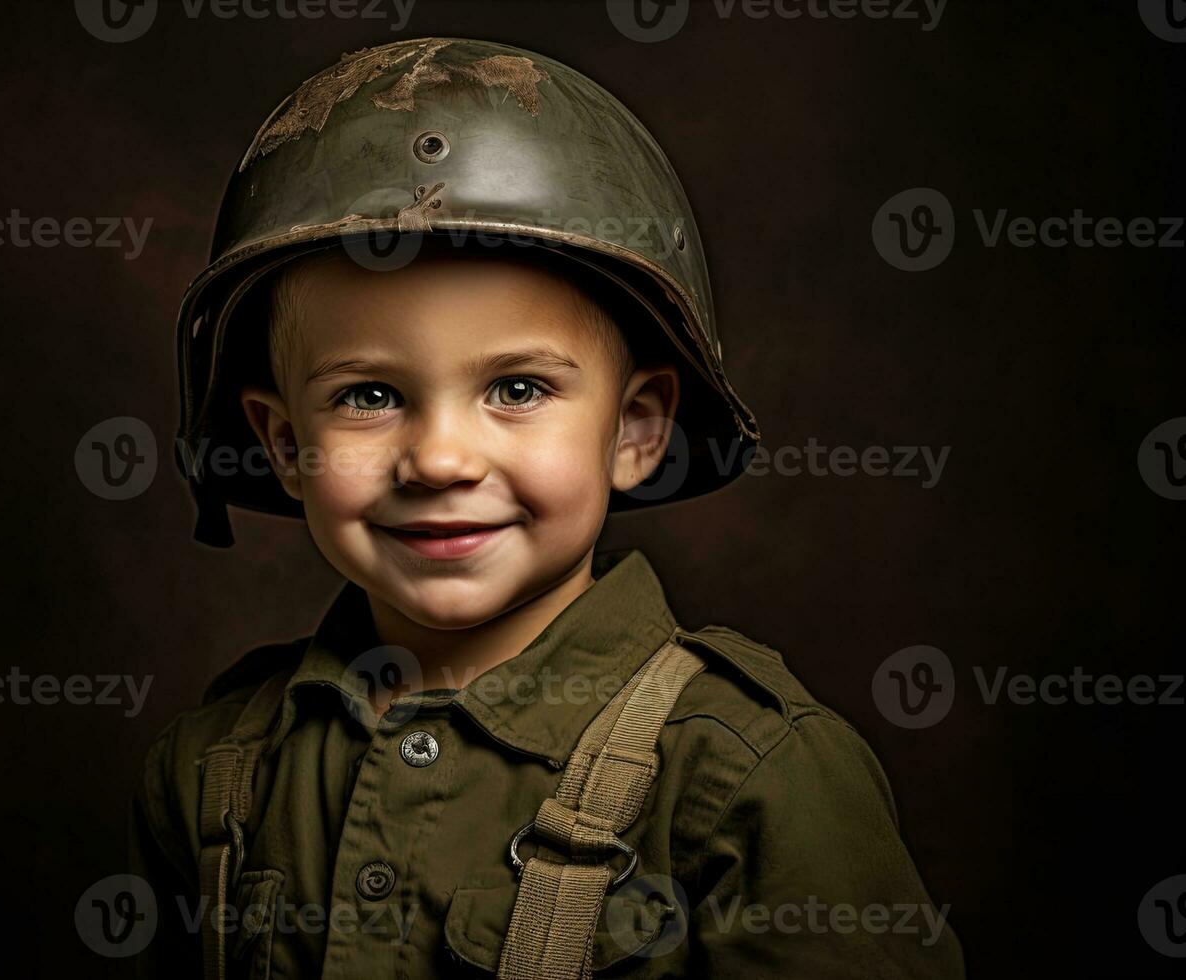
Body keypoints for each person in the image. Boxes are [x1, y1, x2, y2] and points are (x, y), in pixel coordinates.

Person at [129, 36, 964, 979]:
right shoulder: (215, 770)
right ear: (284, 444)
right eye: (369, 396)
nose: (440, 459)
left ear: (636, 430)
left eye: (518, 389)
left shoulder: (751, 778)